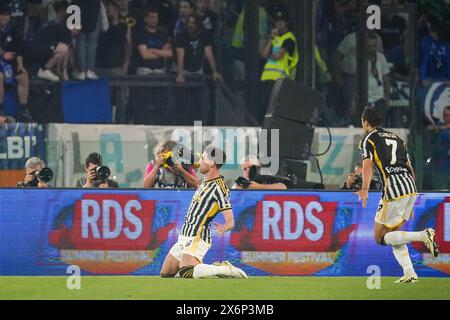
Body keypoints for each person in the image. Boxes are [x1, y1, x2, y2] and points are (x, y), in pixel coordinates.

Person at [355, 106, 439, 283]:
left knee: (379, 237)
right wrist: (410, 199)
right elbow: (410, 168)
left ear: (365, 122)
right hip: (409, 187)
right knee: (395, 233)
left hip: (393, 189)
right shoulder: (398, 139)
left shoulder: (368, 139)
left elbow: (367, 165)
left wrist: (364, 188)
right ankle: (410, 273)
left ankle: (423, 235)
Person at [160, 145, 247, 279]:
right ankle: (202, 267)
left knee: (186, 272)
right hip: (184, 235)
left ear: (212, 163)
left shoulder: (220, 188)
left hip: (198, 235)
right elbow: (195, 163)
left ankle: (224, 269)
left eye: (203, 158)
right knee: (166, 273)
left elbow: (231, 222)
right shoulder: (205, 181)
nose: (200, 161)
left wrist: (224, 227)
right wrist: (174, 160)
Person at [259, 11, 298, 123]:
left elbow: (277, 56)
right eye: (277, 21)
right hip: (266, 77)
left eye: (282, 21)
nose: (279, 24)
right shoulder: (275, 38)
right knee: (265, 107)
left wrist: (270, 54)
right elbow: (264, 55)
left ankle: (273, 136)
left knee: (274, 109)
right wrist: (271, 38)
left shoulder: (289, 39)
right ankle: (266, 134)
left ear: (287, 23)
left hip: (278, 79)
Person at [23, 0, 73, 82]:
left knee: (64, 48)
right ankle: (45, 69)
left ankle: (47, 70)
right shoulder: (51, 25)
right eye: (65, 11)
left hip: (42, 48)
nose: (66, 13)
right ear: (61, 11)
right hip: (35, 48)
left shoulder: (64, 26)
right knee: (63, 48)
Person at [0, 6, 32, 122]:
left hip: (11, 61)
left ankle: (23, 110)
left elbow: (19, 50)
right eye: (1, 14)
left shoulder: (14, 30)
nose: (4, 17)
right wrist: (2, 56)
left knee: (23, 76)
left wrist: (20, 64)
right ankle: (1, 109)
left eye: (6, 15)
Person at [175, 14, 222, 83]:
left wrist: (214, 72)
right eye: (188, 23)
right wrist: (180, 74)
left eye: (193, 23)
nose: (190, 25)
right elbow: (180, 55)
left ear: (198, 24)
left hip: (198, 68)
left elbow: (209, 53)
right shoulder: (181, 36)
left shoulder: (205, 35)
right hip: (184, 69)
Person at [96, 0, 132, 77]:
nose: (110, 13)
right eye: (108, 11)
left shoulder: (124, 27)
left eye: (113, 10)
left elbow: (128, 46)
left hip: (117, 66)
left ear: (117, 11)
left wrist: (126, 63)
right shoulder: (99, 26)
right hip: (99, 66)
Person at [135, 7, 172, 75]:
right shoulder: (140, 34)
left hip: (160, 70)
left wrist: (154, 51)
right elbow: (145, 55)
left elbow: (169, 53)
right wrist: (161, 52)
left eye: (156, 17)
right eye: (151, 17)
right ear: (145, 19)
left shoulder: (163, 34)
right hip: (144, 70)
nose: (154, 20)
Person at [72, 0, 102, 80]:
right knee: (92, 43)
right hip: (92, 9)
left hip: (78, 9)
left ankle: (81, 71)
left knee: (80, 42)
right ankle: (90, 70)